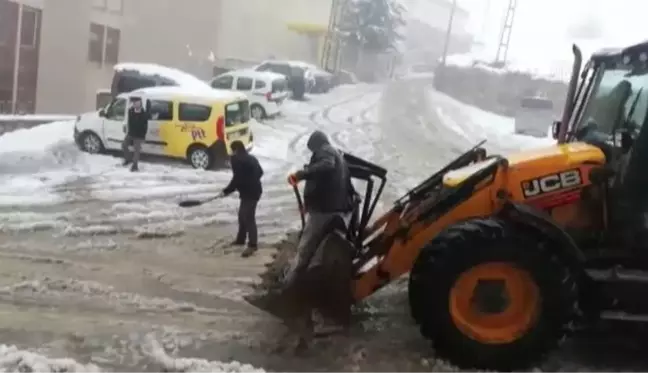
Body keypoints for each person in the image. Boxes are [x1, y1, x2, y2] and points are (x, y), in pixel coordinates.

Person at [281, 130, 353, 350]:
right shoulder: (338, 155)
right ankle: (299, 282)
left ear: (316, 144)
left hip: (324, 211)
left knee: (304, 250)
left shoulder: (327, 153)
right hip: (332, 209)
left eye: (312, 149)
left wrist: (301, 174)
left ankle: (286, 291)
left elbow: (325, 166)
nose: (313, 152)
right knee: (312, 249)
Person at [221, 140, 264, 257]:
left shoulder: (236, 160)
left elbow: (237, 179)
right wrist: (249, 181)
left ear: (235, 150)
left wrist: (227, 190)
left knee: (248, 217)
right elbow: (260, 172)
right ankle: (241, 239)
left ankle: (253, 245)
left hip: (250, 193)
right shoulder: (251, 158)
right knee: (242, 215)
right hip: (254, 191)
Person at [122, 97, 149, 172]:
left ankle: (135, 165)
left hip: (139, 135)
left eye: (137, 103)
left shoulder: (144, 114)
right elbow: (129, 123)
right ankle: (128, 159)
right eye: (135, 103)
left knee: (136, 150)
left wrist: (142, 136)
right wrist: (129, 133)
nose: (136, 104)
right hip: (131, 133)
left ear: (140, 104)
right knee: (124, 145)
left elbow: (145, 126)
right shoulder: (130, 111)